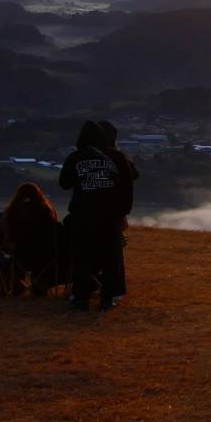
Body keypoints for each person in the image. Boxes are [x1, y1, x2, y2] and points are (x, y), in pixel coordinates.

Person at [59, 120, 134, 312]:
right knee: (111, 258)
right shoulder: (117, 157)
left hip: (82, 216)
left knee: (82, 257)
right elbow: (127, 185)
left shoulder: (75, 157)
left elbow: (64, 183)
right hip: (110, 217)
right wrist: (123, 211)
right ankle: (108, 298)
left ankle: (81, 298)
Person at [97, 121, 138, 303]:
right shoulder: (118, 157)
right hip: (113, 212)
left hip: (89, 211)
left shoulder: (84, 156)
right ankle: (114, 289)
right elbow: (133, 175)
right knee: (113, 253)